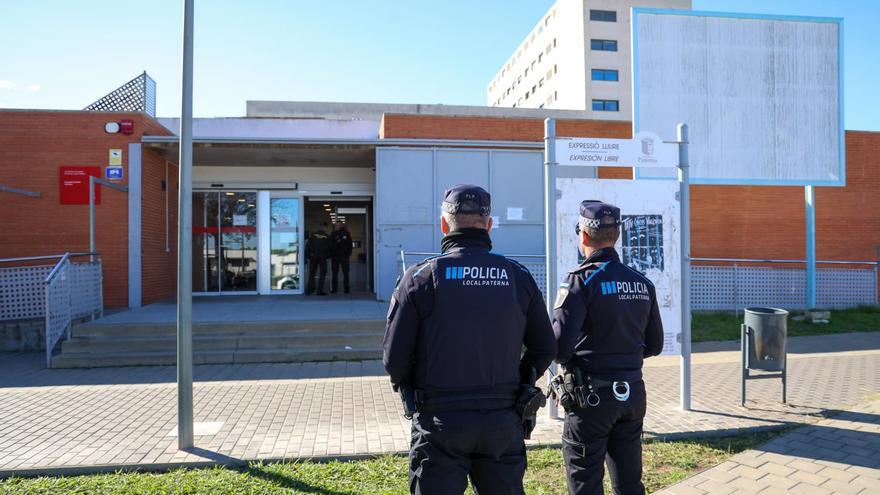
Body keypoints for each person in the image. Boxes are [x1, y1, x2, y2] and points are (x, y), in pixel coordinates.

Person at [384, 184, 556, 495]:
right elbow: (544, 347)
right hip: (503, 420)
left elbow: (394, 361)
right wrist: (516, 381)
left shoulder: (421, 277)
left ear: (443, 224)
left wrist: (415, 384)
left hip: (440, 422)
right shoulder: (518, 276)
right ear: (488, 225)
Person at [551, 200, 664, 495]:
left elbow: (560, 349)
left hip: (591, 400)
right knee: (629, 483)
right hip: (632, 395)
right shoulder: (642, 282)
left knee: (586, 482)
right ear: (616, 235)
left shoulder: (579, 281)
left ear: (584, 235)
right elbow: (655, 345)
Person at [305, 223, 331, 296]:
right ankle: (319, 291)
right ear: (325, 228)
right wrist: (327, 256)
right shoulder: (326, 236)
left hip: (313, 257)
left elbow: (308, 246)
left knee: (312, 274)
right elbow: (330, 247)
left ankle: (309, 290)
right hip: (322, 258)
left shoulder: (313, 235)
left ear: (319, 227)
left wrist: (308, 257)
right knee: (322, 274)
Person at [330, 221, 353, 294]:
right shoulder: (333, 234)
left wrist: (348, 254)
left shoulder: (346, 233)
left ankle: (346, 289)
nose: (337, 226)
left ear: (342, 225)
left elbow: (350, 244)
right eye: (336, 225)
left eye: (339, 225)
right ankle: (334, 289)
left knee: (346, 273)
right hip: (335, 257)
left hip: (344, 257)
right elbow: (330, 245)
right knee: (334, 273)